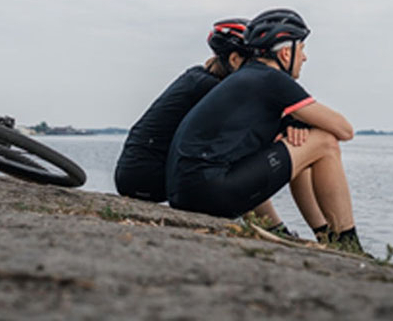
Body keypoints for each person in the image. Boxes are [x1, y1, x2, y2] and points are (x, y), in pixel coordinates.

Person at [166, 9, 365, 253]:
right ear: (285, 52)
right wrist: (305, 125)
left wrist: (295, 130)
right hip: (210, 192)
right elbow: (344, 130)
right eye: (302, 49)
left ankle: (324, 234)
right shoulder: (271, 80)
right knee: (324, 141)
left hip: (187, 192)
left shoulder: (246, 78)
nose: (305, 58)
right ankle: (347, 243)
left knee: (304, 144)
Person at [114, 18, 301, 235]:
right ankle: (275, 227)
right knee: (241, 156)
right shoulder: (210, 88)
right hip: (146, 179)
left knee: (236, 151)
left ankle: (274, 226)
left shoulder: (198, 78)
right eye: (251, 64)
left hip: (134, 175)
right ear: (234, 59)